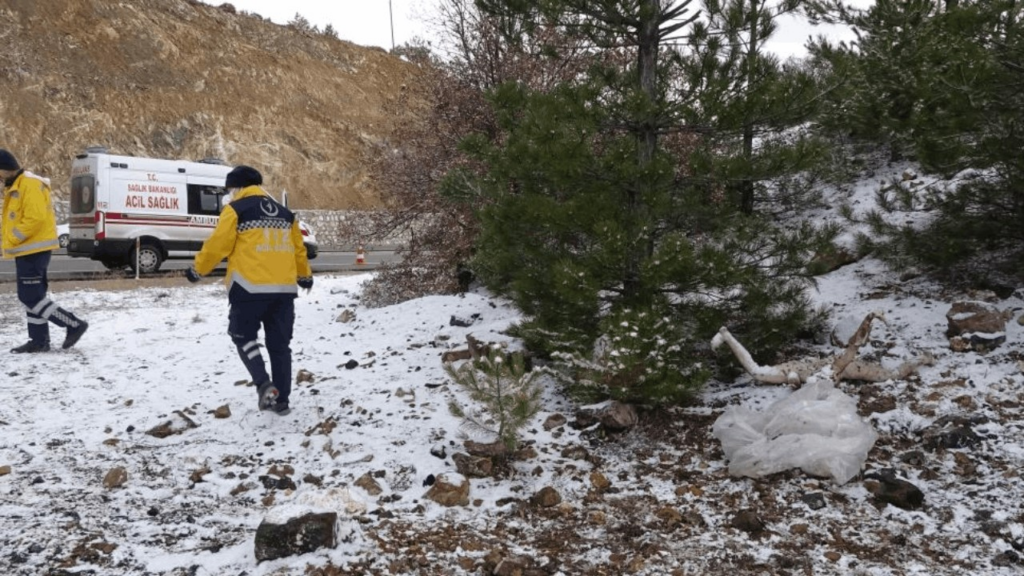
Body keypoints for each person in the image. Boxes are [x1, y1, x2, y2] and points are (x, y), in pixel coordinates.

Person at [186, 165, 312, 415]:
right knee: (280, 346)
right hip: (284, 291)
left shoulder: (235, 210)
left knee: (242, 336)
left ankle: (264, 384)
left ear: (238, 187)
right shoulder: (286, 214)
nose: (228, 194)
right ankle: (282, 401)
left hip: (248, 288)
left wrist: (198, 269)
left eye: (230, 188)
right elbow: (299, 249)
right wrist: (304, 276)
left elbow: (217, 246)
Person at [0, 149, 88, 353]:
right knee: (35, 297)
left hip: (32, 250)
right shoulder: (19, 184)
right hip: (27, 250)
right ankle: (39, 341)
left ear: (5, 169)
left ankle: (73, 324)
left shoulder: (28, 185)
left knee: (30, 297)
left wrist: (12, 238)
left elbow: (35, 218)